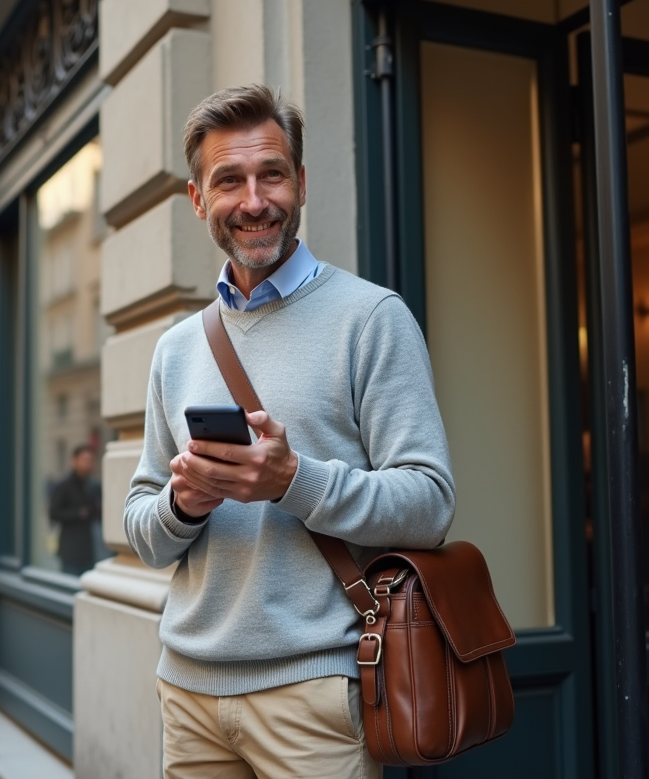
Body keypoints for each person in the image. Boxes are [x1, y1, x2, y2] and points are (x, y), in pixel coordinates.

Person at [124, 84, 455, 778]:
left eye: (271, 174)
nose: (254, 201)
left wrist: (293, 479)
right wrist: (184, 503)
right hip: (188, 694)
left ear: (300, 182)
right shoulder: (176, 348)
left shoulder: (372, 318)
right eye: (229, 181)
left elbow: (429, 505)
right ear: (197, 200)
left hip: (317, 693)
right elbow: (142, 530)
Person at [49, 445, 102, 576]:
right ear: (74, 461)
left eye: (91, 461)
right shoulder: (63, 485)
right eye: (85, 460)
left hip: (90, 548)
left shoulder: (93, 485)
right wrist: (78, 513)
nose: (88, 465)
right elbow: (53, 513)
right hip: (71, 549)